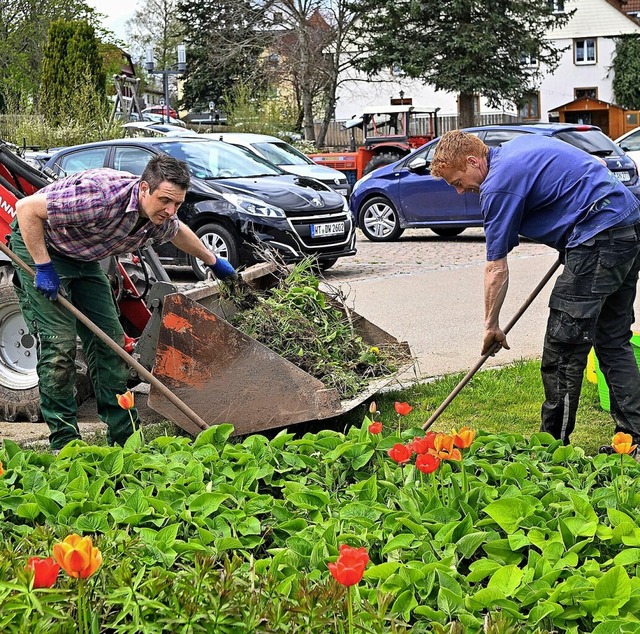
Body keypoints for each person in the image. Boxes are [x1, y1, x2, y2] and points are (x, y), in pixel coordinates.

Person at [430, 130, 640, 456]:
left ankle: (551, 450)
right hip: (627, 225)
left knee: (563, 349)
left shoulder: (497, 185)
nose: (460, 191)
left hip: (599, 237)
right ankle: (634, 439)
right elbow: (594, 162)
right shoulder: (522, 147)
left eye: (458, 180)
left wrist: (491, 326)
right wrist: (573, 223)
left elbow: (496, 269)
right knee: (612, 339)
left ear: (474, 161)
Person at [11, 154, 237, 450]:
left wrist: (212, 260)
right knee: (60, 346)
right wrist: (43, 266)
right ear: (144, 188)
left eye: (178, 204)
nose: (171, 211)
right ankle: (64, 444)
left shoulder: (160, 215)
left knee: (112, 345)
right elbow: (26, 209)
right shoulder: (100, 196)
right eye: (165, 200)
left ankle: (125, 439)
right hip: (42, 248)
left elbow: (177, 231)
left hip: (85, 258)